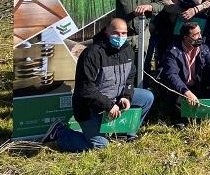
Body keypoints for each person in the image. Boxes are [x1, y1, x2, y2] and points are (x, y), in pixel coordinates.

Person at [42, 18, 155, 151]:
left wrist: (126, 96)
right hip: (89, 108)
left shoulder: (127, 50)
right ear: (107, 31)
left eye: (124, 33)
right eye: (116, 33)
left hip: (115, 98)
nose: (120, 37)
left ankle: (126, 133)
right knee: (100, 146)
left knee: (147, 97)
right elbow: (86, 90)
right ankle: (60, 132)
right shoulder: (92, 54)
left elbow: (130, 76)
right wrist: (108, 105)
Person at [160, 22, 210, 111]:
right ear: (185, 38)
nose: (200, 37)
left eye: (200, 33)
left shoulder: (204, 49)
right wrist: (186, 92)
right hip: (180, 90)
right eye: (196, 35)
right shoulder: (172, 52)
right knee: (181, 113)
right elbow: (171, 75)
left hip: (199, 87)